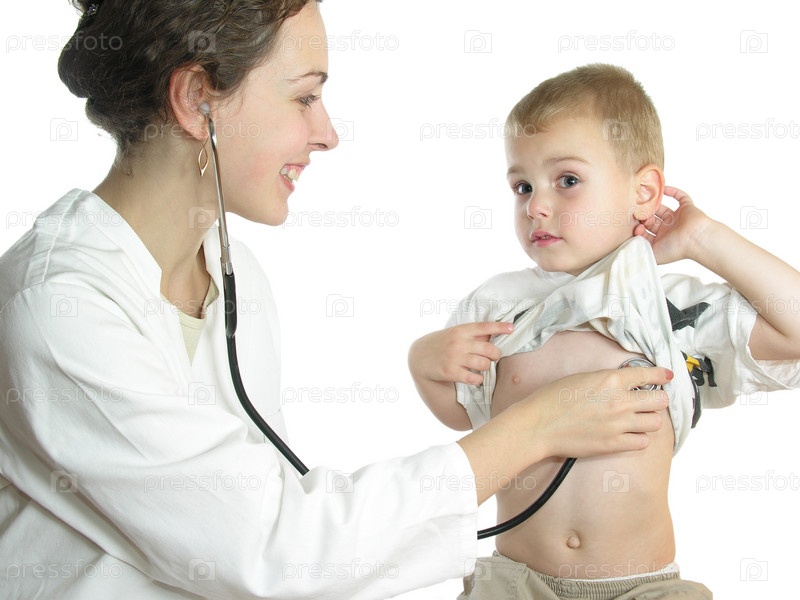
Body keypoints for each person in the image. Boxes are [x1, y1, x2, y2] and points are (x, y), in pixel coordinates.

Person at [0, 6, 674, 600]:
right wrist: (537, 427)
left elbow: (269, 515)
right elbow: (273, 548)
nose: (327, 133)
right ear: (198, 99)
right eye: (305, 97)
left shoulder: (234, 276)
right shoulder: (56, 308)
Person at [408, 63, 800, 600]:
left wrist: (703, 238)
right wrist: (424, 364)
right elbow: (464, 414)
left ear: (644, 192)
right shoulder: (498, 304)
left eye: (567, 181)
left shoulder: (669, 308)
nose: (536, 206)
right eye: (522, 186)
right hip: (513, 582)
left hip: (640, 588)